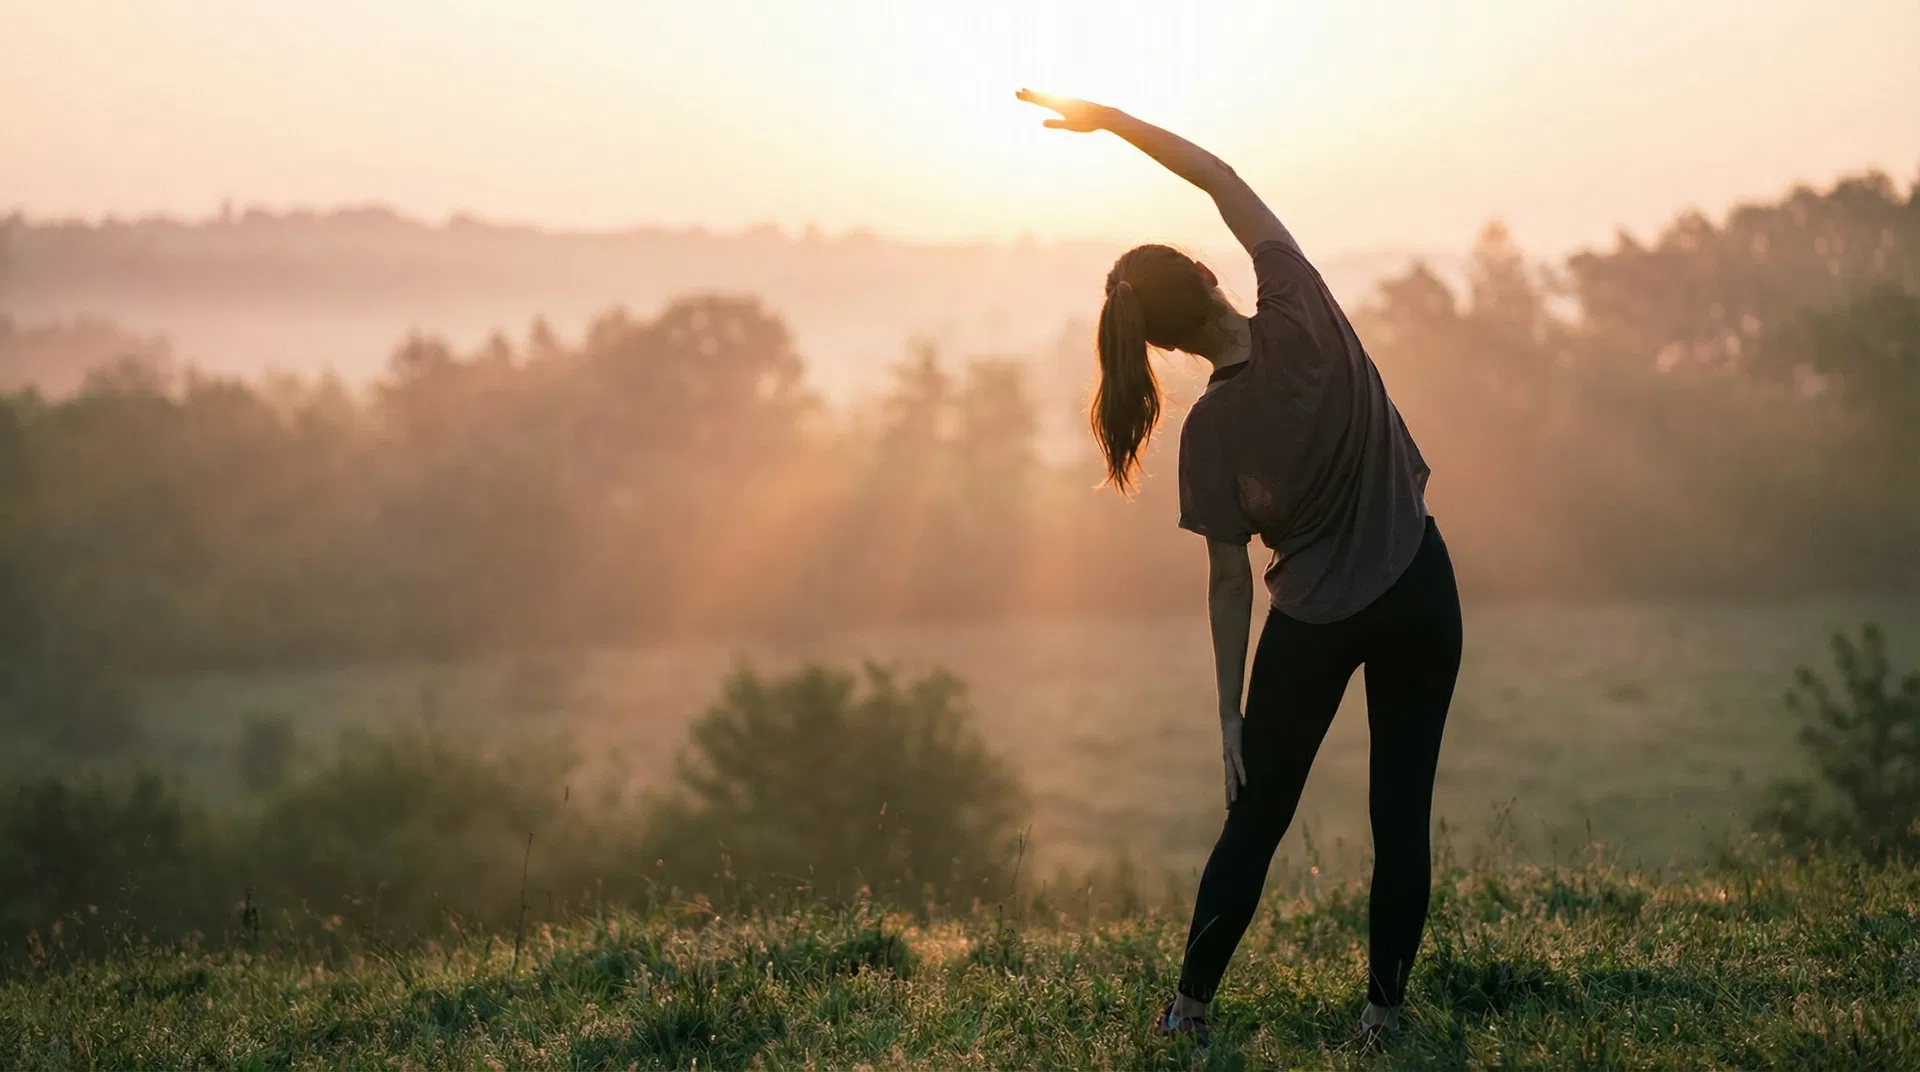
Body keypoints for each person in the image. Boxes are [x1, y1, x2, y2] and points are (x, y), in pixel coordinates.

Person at [1015, 90, 1463, 1049]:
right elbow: (1217, 177)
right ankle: (1384, 1020)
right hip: (1421, 585)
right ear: (1212, 277)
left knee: (1255, 821)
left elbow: (1228, 583)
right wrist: (1110, 121)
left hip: (1314, 622)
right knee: (1402, 817)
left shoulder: (1210, 431)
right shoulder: (1300, 301)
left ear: (1163, 345)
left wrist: (1230, 714)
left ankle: (1189, 1014)